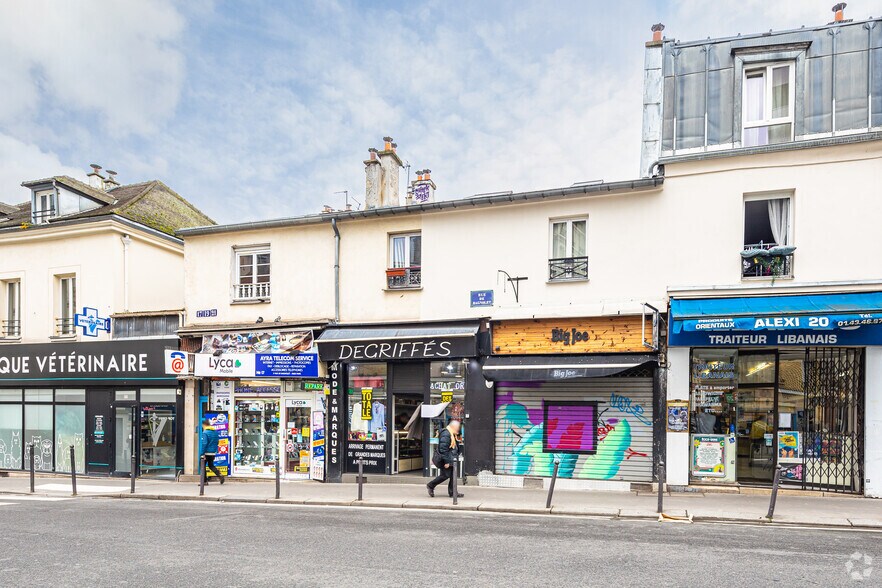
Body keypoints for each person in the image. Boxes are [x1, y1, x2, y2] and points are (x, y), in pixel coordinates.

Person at [427, 419, 463, 498]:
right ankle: (430, 485)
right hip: (447, 459)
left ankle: (453, 493)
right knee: (445, 475)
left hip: (451, 458)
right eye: (457, 427)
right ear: (453, 426)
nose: (458, 429)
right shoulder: (446, 434)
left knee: (453, 475)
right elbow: (443, 449)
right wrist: (446, 462)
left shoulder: (452, 433)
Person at [199, 418, 225, 484]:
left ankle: (204, 481)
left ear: (204, 424)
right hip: (213, 452)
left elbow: (204, 443)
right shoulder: (215, 432)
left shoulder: (205, 433)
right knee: (211, 465)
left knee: (202, 466)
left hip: (206, 452)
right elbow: (217, 442)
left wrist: (202, 453)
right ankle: (220, 475)